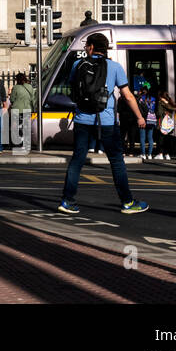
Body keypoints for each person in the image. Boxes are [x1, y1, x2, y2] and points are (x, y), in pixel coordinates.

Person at [58, 32, 149, 215]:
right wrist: (139, 116)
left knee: (77, 160)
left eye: (86, 46)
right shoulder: (115, 67)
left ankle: (67, 201)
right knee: (116, 161)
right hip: (106, 121)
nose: (85, 49)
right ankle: (127, 202)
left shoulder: (78, 65)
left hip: (82, 120)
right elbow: (128, 96)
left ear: (92, 47)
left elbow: (71, 90)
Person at [8, 72, 36, 154]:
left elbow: (12, 99)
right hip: (27, 109)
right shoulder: (30, 87)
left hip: (17, 110)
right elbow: (33, 99)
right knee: (26, 128)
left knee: (15, 128)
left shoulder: (15, 88)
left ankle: (16, 144)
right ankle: (26, 145)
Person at [155, 89, 176, 161]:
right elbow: (173, 110)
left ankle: (160, 154)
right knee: (167, 139)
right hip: (169, 124)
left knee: (160, 139)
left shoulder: (160, 103)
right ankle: (167, 154)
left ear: (161, 96)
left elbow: (158, 113)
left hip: (162, 123)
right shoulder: (170, 103)